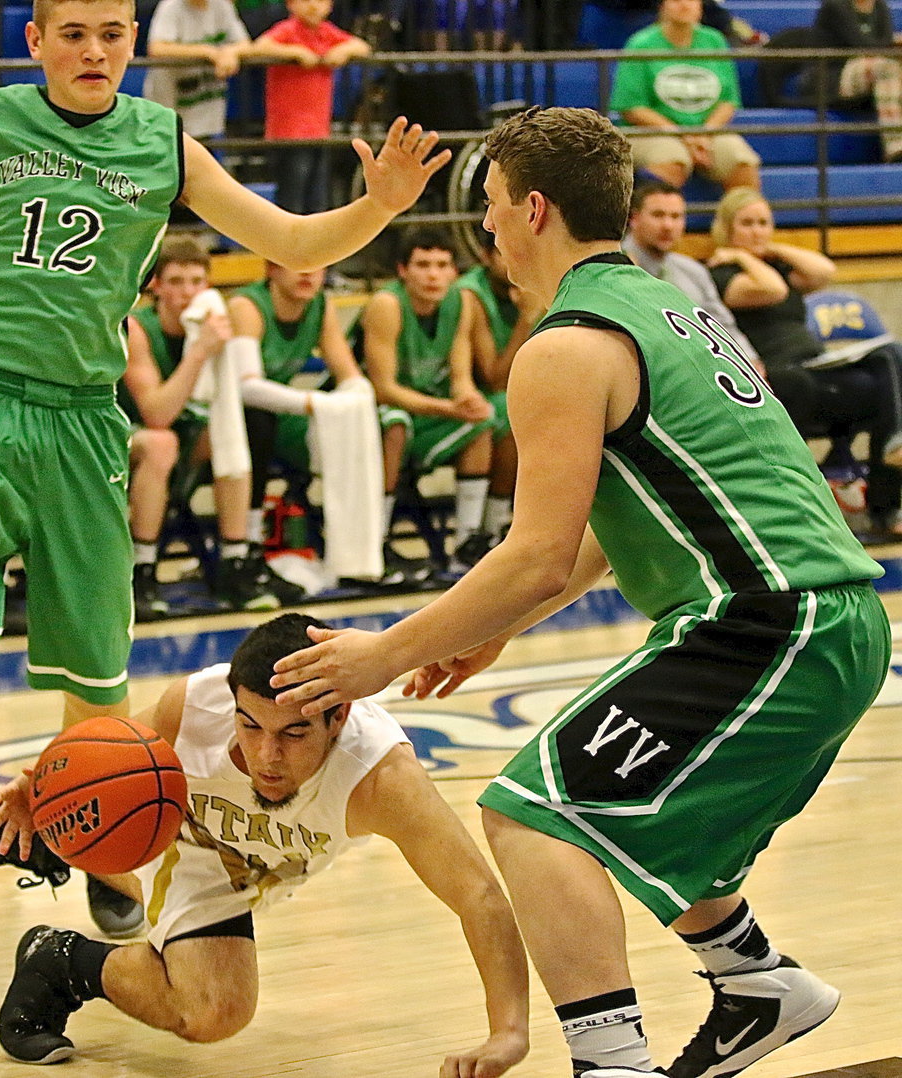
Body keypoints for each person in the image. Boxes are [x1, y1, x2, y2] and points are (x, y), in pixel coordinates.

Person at [0, 0, 451, 973]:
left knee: (98, 679)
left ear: (133, 43)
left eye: (112, 32)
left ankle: (92, 840)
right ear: (35, 42)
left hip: (86, 420)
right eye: (73, 32)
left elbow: (296, 240)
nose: (95, 50)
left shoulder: (168, 143)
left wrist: (382, 207)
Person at [270, 106, 890, 1078]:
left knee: (533, 811)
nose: (484, 228)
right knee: (638, 814)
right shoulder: (673, 309)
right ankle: (759, 983)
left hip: (767, 620)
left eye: (488, 207)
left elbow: (535, 555)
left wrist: (380, 654)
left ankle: (613, 1067)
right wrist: (502, 627)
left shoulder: (564, 346)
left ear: (534, 208)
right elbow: (613, 525)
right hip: (823, 618)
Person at [0, 613, 530, 1073]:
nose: (267, 757)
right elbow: (106, 759)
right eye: (250, 726)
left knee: (205, 969)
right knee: (216, 1011)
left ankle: (81, 875)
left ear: (338, 717)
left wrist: (507, 1031)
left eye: (293, 733)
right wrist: (46, 789)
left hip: (259, 871)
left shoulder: (380, 778)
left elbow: (478, 895)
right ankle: (61, 959)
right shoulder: (193, 704)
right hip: (186, 847)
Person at [708, 185, 902, 538]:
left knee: (889, 357)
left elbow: (824, 271)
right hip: (774, 376)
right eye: (747, 223)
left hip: (815, 366)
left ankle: (888, 492)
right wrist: (745, 257)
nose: (757, 231)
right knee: (802, 384)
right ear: (727, 229)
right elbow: (773, 291)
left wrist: (772, 249)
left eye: (764, 223)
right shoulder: (720, 275)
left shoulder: (779, 264)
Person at [121, 239, 278, 619]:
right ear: (155, 286)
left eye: (196, 281)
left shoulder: (217, 322)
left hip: (184, 433)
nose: (187, 292)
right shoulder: (136, 328)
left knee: (239, 428)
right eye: (176, 281)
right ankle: (141, 572)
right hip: (122, 434)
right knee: (161, 443)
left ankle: (235, 560)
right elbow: (156, 412)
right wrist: (198, 352)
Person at [354, 227, 512, 575]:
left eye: (442, 265)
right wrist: (448, 408)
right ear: (402, 271)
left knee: (489, 417)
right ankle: (375, 543)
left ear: (454, 272)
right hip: (367, 413)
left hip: (424, 410)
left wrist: (468, 400)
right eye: (423, 265)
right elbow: (383, 389)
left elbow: (459, 378)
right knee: (395, 422)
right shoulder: (387, 304)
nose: (433, 275)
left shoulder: (459, 303)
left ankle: (470, 541)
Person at [228, 260, 389, 585]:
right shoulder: (246, 306)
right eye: (297, 263)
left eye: (317, 266)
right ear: (272, 269)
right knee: (259, 422)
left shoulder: (320, 305)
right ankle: (249, 546)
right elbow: (246, 388)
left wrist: (356, 398)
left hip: (282, 415)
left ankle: (363, 553)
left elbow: (350, 378)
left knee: (372, 421)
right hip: (228, 418)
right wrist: (316, 403)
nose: (307, 272)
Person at [609, 0, 761, 192]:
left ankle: (737, 219)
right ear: (662, 5)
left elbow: (728, 101)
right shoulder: (640, 44)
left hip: (706, 131)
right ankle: (655, 218)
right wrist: (681, 134)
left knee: (742, 161)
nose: (684, 4)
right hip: (653, 131)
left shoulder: (715, 41)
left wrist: (704, 133)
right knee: (673, 160)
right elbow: (631, 108)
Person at [622, 179, 761, 369]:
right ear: (634, 219)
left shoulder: (694, 271)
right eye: (658, 215)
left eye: (676, 216)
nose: (668, 226)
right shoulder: (616, 266)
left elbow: (721, 325)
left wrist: (749, 361)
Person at [456, 231, 540, 543]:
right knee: (510, 408)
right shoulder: (471, 294)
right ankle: (481, 533)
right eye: (505, 253)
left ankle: (496, 531)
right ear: (485, 256)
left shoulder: (537, 283)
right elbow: (495, 378)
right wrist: (526, 320)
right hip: (473, 402)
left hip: (502, 400)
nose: (515, 263)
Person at [253, 0, 370, 214]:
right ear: (290, 4)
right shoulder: (288, 31)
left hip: (318, 131)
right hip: (288, 133)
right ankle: (288, 247)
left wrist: (343, 50)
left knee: (317, 201)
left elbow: (362, 47)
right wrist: (294, 52)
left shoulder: (327, 32)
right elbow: (259, 47)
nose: (313, 5)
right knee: (291, 202)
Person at [144, 0, 250, 139]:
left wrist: (230, 52)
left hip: (205, 110)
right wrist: (208, 52)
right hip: (169, 113)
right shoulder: (170, 7)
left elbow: (245, 44)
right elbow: (157, 48)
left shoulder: (222, 6)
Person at [812, 0, 902, 163]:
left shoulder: (880, 6)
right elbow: (860, 45)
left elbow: (885, 42)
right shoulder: (834, 6)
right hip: (835, 75)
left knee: (890, 68)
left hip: (874, 70)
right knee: (887, 67)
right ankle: (896, 148)